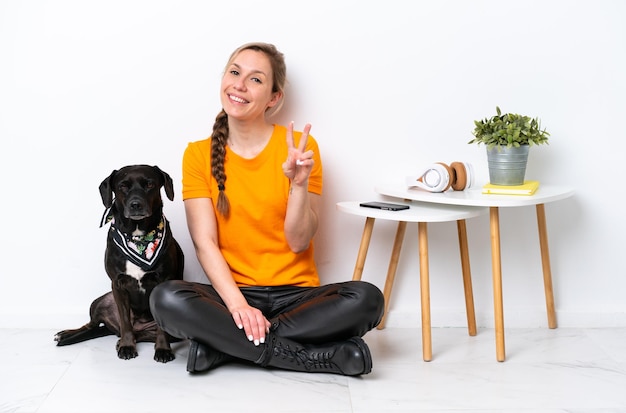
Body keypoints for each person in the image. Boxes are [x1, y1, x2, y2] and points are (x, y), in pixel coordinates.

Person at [149, 42, 384, 376]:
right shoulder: (197, 154)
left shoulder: (301, 149)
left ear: (274, 98)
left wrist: (299, 183)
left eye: (256, 79)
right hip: (230, 295)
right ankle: (317, 357)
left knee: (367, 299)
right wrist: (238, 306)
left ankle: (225, 348)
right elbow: (205, 243)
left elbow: (299, 242)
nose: (240, 85)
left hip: (297, 299)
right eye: (234, 72)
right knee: (165, 298)